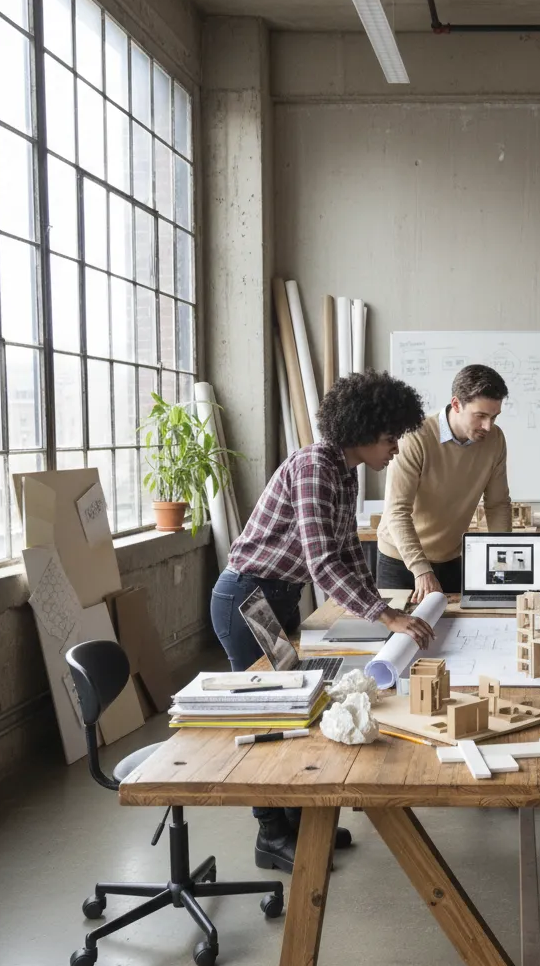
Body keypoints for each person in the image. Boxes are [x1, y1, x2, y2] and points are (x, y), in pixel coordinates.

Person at [210, 370, 435, 873]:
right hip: (247, 597)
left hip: (278, 597)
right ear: (360, 429)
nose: (395, 448)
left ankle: (298, 822)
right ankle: (271, 834)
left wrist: (382, 609)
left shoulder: (342, 471)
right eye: (388, 437)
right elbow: (322, 563)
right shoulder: (315, 466)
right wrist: (385, 614)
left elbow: (350, 550)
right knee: (271, 715)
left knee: (296, 707)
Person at [377, 364, 511, 601]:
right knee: (396, 634)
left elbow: (497, 504)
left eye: (494, 417)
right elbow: (397, 511)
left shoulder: (496, 440)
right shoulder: (416, 436)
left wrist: (503, 561)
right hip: (401, 559)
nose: (488, 426)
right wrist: (421, 569)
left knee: (453, 632)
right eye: (480, 416)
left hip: (450, 558)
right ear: (457, 404)